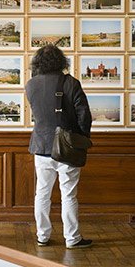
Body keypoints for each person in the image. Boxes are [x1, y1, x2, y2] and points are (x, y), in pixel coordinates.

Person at [26, 45, 92, 249]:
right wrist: (81, 137)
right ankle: (72, 238)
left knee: (42, 193)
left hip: (41, 146)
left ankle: (42, 236)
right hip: (67, 147)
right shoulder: (71, 83)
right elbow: (84, 116)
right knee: (68, 194)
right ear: (61, 61)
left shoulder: (31, 85)